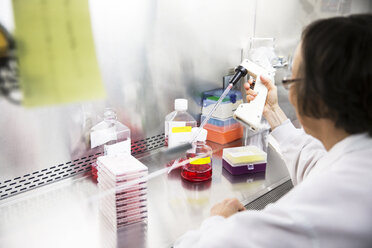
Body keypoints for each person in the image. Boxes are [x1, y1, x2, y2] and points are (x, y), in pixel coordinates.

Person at [174, 14, 372, 248]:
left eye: (291, 80)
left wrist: (216, 220)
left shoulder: (333, 201)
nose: (289, 86)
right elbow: (319, 164)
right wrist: (273, 111)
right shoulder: (358, 161)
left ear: (320, 99)